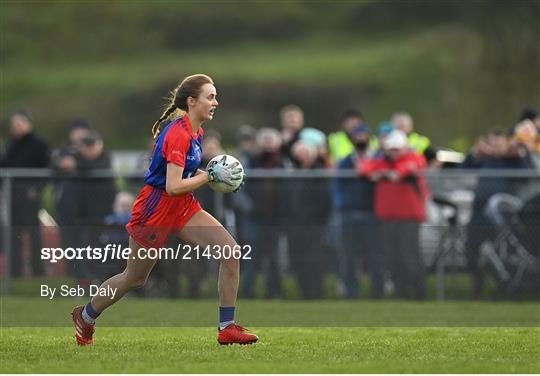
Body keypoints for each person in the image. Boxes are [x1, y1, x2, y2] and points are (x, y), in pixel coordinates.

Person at [71, 74, 258, 346]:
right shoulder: (179, 134)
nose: (216, 102)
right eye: (210, 97)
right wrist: (210, 177)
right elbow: (172, 186)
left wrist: (219, 177)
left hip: (182, 206)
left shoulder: (197, 132)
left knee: (230, 253)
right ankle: (86, 316)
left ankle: (227, 327)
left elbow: (185, 179)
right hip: (155, 209)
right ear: (192, 101)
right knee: (135, 278)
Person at [358, 130, 429, 300]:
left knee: (409, 256)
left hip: (409, 217)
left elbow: (410, 167)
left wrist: (392, 173)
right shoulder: (381, 162)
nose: (394, 152)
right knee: (392, 256)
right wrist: (380, 174)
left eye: (397, 149)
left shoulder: (414, 158)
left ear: (405, 148)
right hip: (387, 218)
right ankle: (400, 292)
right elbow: (363, 167)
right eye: (392, 149)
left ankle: (420, 292)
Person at [331, 125, 383, 298]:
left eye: (363, 135)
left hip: (372, 215)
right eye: (356, 136)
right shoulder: (346, 162)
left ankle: (378, 292)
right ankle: (351, 292)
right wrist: (342, 205)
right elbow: (337, 188)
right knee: (349, 256)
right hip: (350, 215)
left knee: (375, 255)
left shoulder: (378, 160)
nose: (360, 139)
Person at [1, 109, 50, 277]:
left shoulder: (39, 145)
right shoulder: (11, 145)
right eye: (13, 124)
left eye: (19, 123)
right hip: (13, 196)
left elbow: (46, 170)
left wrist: (36, 190)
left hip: (30, 198)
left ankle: (38, 271)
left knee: (34, 234)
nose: (15, 127)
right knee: (14, 235)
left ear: (28, 124)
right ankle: (14, 272)